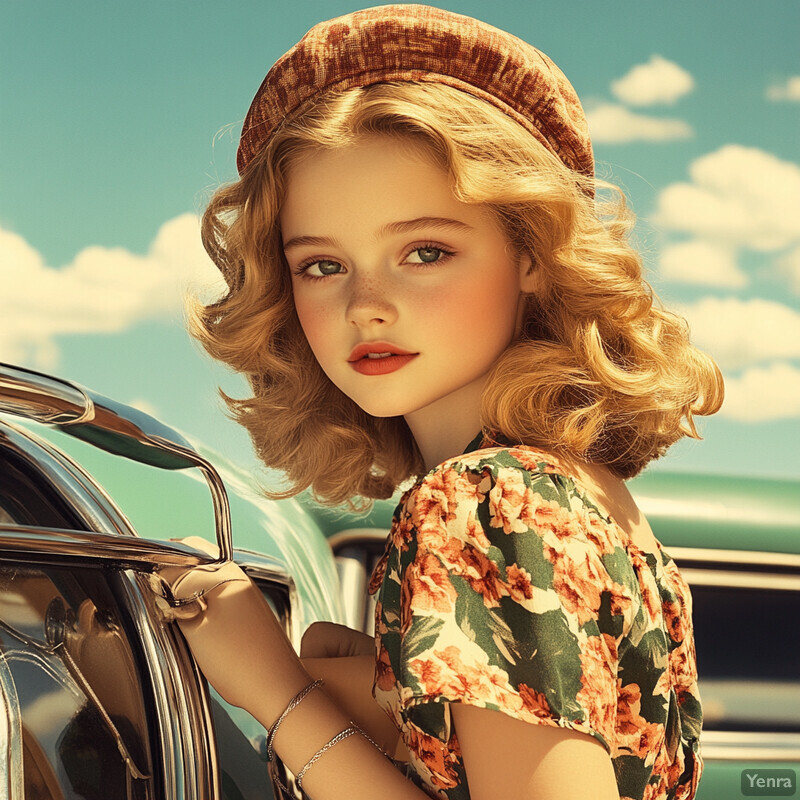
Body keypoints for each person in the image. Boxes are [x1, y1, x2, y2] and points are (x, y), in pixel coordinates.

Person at [158, 6, 723, 799]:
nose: (367, 304)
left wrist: (277, 694)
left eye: (425, 251)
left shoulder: (487, 502)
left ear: (532, 252)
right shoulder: (585, 496)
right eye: (322, 265)